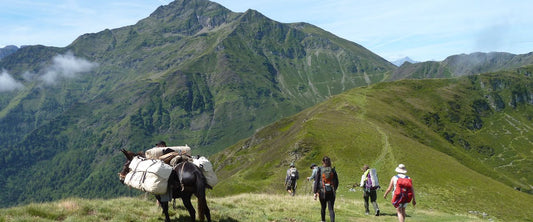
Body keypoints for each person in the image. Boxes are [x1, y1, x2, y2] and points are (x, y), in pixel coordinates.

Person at [314, 156, 339, 222]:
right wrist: (334, 189)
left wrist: (315, 192)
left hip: (322, 191)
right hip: (331, 191)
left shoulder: (319, 169)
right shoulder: (332, 170)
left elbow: (316, 181)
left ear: (322, 162)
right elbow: (337, 181)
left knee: (323, 207)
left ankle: (323, 220)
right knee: (331, 209)